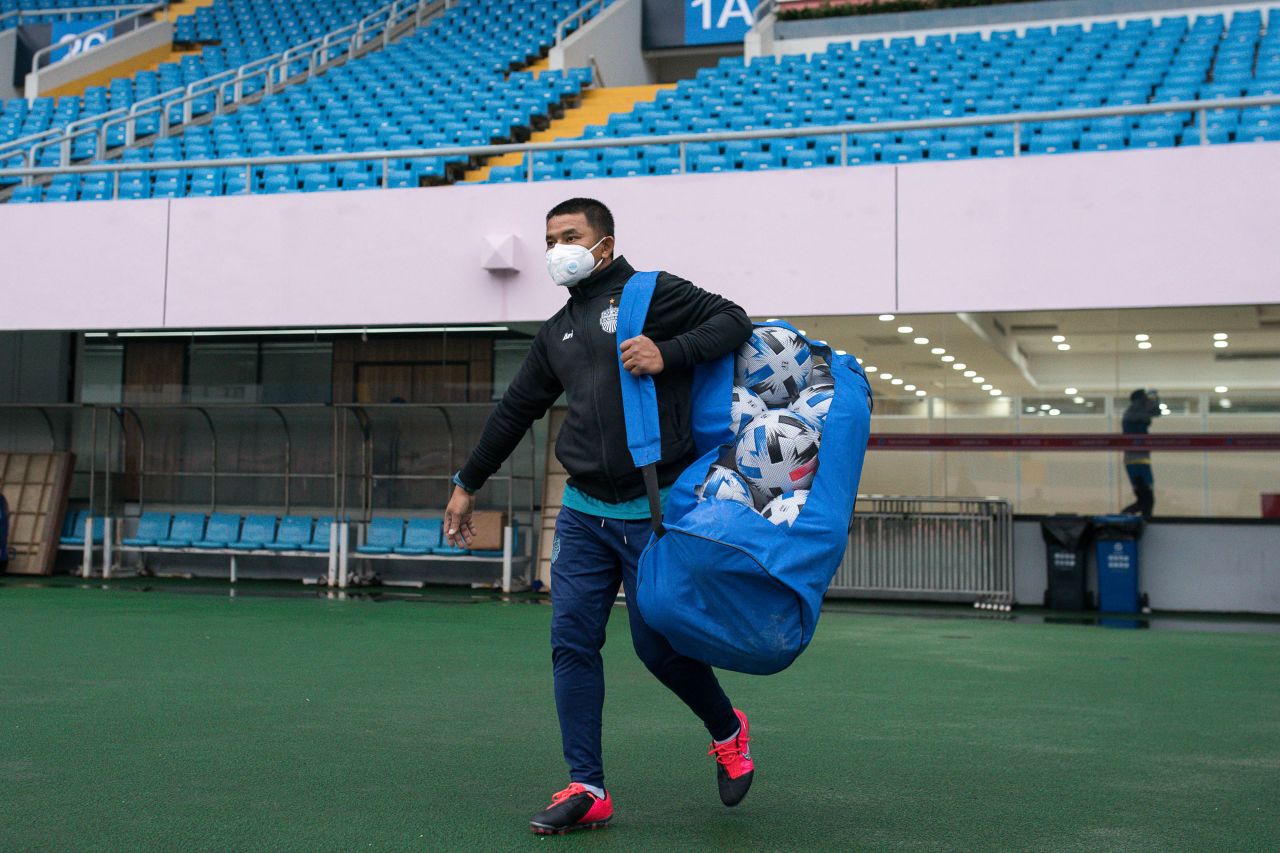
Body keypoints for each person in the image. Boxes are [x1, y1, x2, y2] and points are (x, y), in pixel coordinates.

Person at [443, 198, 756, 835]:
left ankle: (727, 727)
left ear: (604, 246)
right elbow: (515, 411)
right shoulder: (556, 330)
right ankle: (587, 786)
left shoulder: (652, 293)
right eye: (551, 238)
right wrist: (466, 483)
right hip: (583, 512)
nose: (559, 248)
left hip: (653, 511)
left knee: (657, 648)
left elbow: (734, 320)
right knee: (571, 645)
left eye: (571, 237)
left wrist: (670, 352)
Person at [1121, 388, 1161, 518]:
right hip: (1134, 460)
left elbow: (1156, 412)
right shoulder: (1131, 413)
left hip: (1142, 458)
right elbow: (1150, 414)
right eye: (1145, 399)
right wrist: (1152, 402)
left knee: (1146, 499)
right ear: (1139, 400)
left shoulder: (1137, 412)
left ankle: (1132, 517)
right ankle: (1129, 517)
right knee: (1146, 498)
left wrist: (1154, 400)